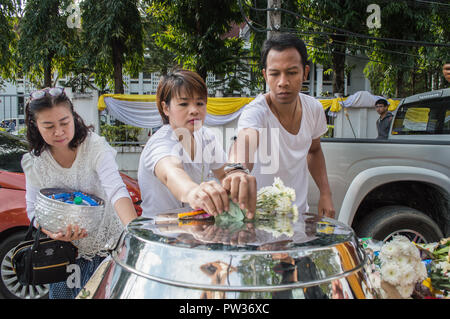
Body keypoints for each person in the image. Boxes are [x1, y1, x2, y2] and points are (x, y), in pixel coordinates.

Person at [21, 87, 137, 299]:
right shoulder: (34, 162)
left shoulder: (94, 147)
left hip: (105, 249)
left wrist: (135, 234)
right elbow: (32, 211)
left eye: (65, 122)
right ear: (35, 126)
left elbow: (116, 190)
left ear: (74, 117)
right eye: (48, 126)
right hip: (61, 254)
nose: (59, 132)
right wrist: (51, 232)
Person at [228, 33, 335, 218]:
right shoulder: (256, 112)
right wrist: (237, 170)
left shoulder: (314, 109)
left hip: (298, 217)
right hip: (259, 222)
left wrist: (325, 193)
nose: (283, 82)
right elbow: (245, 140)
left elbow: (314, 150)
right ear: (265, 75)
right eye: (275, 73)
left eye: (292, 72)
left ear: (305, 72)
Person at [137, 69, 256, 219]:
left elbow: (224, 174)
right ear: (166, 108)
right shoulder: (160, 143)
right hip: (159, 234)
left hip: (194, 233)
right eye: (183, 104)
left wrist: (238, 181)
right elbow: (171, 173)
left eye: (200, 103)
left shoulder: (206, 137)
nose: (194, 110)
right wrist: (192, 192)